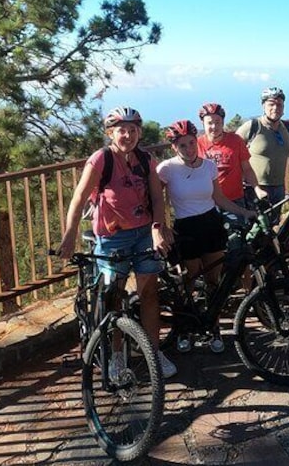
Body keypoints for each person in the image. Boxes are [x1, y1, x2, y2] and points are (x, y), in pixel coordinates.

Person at [59, 106, 176, 378]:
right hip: (112, 238)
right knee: (115, 298)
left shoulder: (145, 160)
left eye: (133, 130)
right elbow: (79, 198)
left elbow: (158, 199)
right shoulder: (101, 160)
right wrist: (69, 234)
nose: (128, 135)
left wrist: (158, 229)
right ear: (111, 133)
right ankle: (116, 357)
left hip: (144, 232)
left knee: (149, 294)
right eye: (122, 130)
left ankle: (153, 352)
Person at [156, 119, 254, 353]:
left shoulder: (209, 166)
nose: (189, 149)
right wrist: (160, 227)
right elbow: (155, 200)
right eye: (182, 146)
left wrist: (245, 212)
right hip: (185, 229)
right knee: (188, 281)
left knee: (213, 281)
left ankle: (213, 327)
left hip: (211, 224)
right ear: (174, 148)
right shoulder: (166, 169)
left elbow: (219, 199)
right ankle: (183, 328)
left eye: (191, 143)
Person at [236, 87, 289, 208]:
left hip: (279, 187)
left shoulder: (286, 128)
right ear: (263, 106)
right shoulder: (253, 127)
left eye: (279, 105)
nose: (275, 108)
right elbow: (232, 150)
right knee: (256, 225)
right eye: (271, 104)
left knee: (274, 223)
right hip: (254, 189)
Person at [197, 102, 267, 211]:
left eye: (217, 122)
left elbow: (247, 169)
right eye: (209, 123)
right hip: (208, 202)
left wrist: (257, 188)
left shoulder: (235, 141)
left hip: (235, 200)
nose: (214, 127)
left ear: (223, 122)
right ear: (202, 123)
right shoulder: (197, 145)